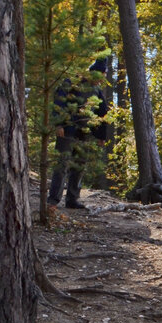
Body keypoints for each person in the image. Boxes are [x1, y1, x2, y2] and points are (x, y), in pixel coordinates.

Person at [48, 57, 110, 209]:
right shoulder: (72, 82)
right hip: (67, 130)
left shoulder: (97, 91)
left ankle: (72, 199)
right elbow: (59, 101)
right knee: (62, 164)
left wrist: (101, 136)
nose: (102, 80)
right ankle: (53, 200)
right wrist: (59, 124)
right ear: (95, 73)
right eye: (101, 76)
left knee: (79, 166)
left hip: (83, 133)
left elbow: (102, 113)